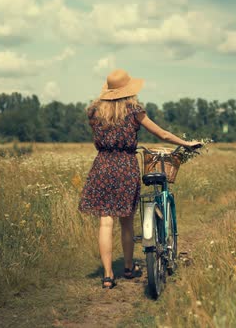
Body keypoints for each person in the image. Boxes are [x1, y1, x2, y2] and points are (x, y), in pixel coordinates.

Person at [78, 69, 202, 289]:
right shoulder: (134, 110)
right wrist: (186, 144)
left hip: (102, 165)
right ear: (128, 90)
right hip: (125, 165)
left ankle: (107, 276)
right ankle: (128, 267)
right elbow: (162, 134)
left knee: (106, 222)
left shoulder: (94, 112)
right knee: (126, 220)